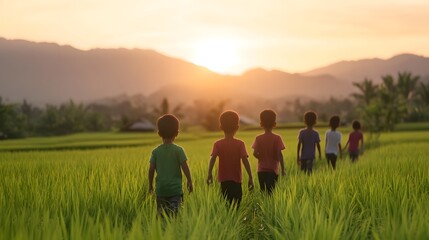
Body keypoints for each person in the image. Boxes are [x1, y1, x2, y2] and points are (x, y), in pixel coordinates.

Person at [207, 110, 254, 208]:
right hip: (237, 180)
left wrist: (209, 174)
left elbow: (213, 159)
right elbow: (245, 160)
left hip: (224, 180)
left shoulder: (218, 144)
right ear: (237, 127)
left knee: (226, 205)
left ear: (221, 127)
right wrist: (250, 177)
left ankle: (229, 222)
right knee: (237, 205)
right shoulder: (240, 144)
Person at [148, 114, 193, 216]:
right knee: (175, 216)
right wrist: (190, 181)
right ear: (177, 133)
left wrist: (150, 185)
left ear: (159, 133)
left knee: (161, 216)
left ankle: (162, 231)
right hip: (175, 190)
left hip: (161, 190)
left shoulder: (155, 152)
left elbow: (151, 170)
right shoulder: (179, 150)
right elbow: (185, 167)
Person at [252, 110, 285, 195]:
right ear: (274, 124)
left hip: (261, 169)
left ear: (261, 124)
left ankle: (263, 207)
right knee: (270, 192)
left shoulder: (258, 138)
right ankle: (269, 207)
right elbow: (280, 155)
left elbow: (255, 153)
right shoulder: (277, 138)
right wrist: (283, 170)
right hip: (273, 170)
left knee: (263, 192)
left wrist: (261, 157)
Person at [297, 111, 321, 175]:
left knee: (303, 172)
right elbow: (318, 145)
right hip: (311, 156)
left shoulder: (302, 132)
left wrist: (297, 156)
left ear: (305, 121)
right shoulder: (316, 133)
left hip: (303, 156)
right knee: (309, 172)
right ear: (315, 122)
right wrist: (320, 154)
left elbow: (299, 144)